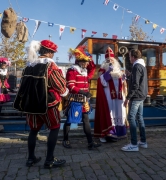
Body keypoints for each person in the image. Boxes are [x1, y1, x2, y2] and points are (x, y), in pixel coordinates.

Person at [14, 40, 68, 168]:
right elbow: (59, 85)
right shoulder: (50, 65)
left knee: (33, 130)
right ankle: (49, 160)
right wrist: (66, 94)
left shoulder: (30, 65)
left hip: (31, 104)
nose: (53, 55)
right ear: (49, 52)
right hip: (47, 103)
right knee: (54, 128)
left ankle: (31, 158)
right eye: (53, 52)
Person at [62, 46, 101, 150]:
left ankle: (90, 142)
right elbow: (70, 86)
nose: (87, 64)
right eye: (85, 62)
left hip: (83, 100)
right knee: (69, 120)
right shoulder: (72, 71)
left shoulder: (84, 70)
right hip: (74, 99)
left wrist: (89, 57)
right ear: (79, 61)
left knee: (86, 120)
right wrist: (83, 92)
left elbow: (92, 68)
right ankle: (65, 139)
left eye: (87, 62)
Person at [94, 47, 127, 143]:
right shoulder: (102, 71)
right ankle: (110, 133)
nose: (110, 62)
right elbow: (102, 83)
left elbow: (121, 84)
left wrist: (123, 78)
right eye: (108, 60)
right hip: (108, 96)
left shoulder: (119, 71)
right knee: (110, 114)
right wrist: (108, 73)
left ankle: (120, 133)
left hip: (119, 97)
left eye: (111, 60)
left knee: (119, 113)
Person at [121, 49, 148, 152]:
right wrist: (129, 76)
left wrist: (128, 98)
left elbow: (136, 85)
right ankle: (143, 141)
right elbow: (139, 81)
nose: (129, 58)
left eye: (129, 57)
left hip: (136, 96)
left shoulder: (136, 67)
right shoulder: (142, 66)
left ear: (133, 57)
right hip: (142, 95)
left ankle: (133, 144)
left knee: (131, 118)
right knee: (139, 118)